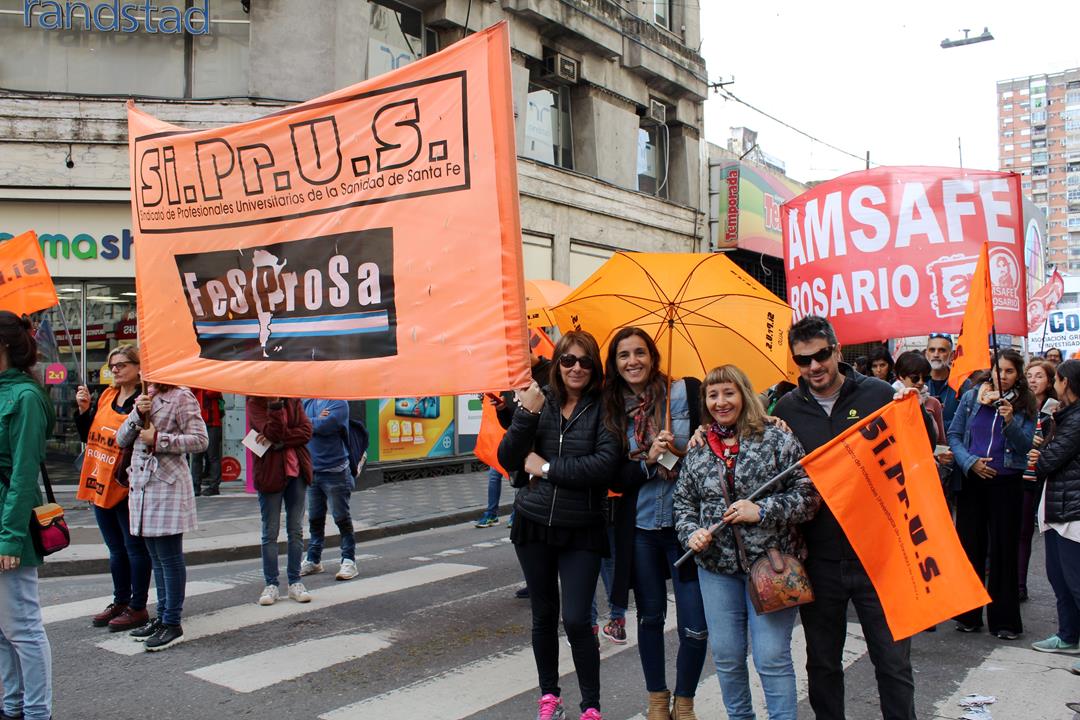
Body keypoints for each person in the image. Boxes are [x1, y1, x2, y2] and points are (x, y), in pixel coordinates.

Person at [771, 315, 917, 720]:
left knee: (893, 663)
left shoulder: (881, 395)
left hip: (881, 558)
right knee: (822, 665)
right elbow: (755, 445)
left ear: (837, 350)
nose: (814, 366)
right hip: (819, 558)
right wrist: (700, 433)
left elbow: (917, 456)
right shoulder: (787, 409)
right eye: (803, 360)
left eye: (821, 355)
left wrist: (916, 414)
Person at [674, 364, 819, 720]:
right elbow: (683, 504)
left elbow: (809, 496)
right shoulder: (698, 449)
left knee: (771, 657)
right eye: (713, 395)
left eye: (729, 393)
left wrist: (762, 510)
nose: (721, 402)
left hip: (773, 566)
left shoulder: (777, 439)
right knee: (726, 657)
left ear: (744, 394)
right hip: (716, 569)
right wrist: (691, 532)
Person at [497, 330, 617, 720]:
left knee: (578, 619)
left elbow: (603, 466)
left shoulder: (605, 407)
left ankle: (591, 706)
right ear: (558, 363)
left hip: (581, 526)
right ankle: (549, 697)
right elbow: (508, 458)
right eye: (568, 360)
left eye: (585, 361)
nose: (576, 368)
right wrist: (525, 415)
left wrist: (546, 468)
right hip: (533, 523)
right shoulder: (540, 400)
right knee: (543, 616)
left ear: (595, 367)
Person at [601, 327, 706, 720]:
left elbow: (720, 440)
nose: (633, 361)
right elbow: (613, 477)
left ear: (653, 356)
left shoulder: (686, 392)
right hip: (641, 529)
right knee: (650, 618)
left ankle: (685, 701)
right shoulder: (611, 410)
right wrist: (648, 460)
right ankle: (658, 702)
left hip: (686, 529)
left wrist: (680, 446)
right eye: (624, 355)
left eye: (640, 352)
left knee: (695, 625)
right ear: (615, 364)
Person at [947, 349, 1036, 639]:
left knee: (1003, 551)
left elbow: (1024, 446)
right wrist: (969, 462)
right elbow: (955, 435)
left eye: (1010, 371)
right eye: (999, 370)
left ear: (1018, 375)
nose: (1003, 376)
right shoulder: (972, 396)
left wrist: (1010, 421)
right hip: (973, 482)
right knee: (970, 547)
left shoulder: (1025, 403)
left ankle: (1005, 621)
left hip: (1006, 483)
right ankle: (968, 616)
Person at [117, 382, 207, 651]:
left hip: (167, 486)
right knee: (156, 557)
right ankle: (163, 616)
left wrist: (159, 439)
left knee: (169, 556)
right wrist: (136, 414)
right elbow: (121, 439)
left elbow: (200, 440)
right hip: (142, 488)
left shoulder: (181, 396)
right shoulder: (145, 397)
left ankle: (172, 622)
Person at [74, 344, 152, 632]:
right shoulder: (107, 395)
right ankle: (120, 601)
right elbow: (89, 435)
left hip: (126, 483)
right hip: (99, 480)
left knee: (134, 548)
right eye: (113, 365)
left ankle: (137, 606)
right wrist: (84, 410)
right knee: (115, 550)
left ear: (139, 368)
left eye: (121, 365)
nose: (115, 370)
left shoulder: (144, 400)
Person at [0, 312, 55, 720]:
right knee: (2, 631)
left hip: (10, 522)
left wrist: (10, 537)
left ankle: (36, 713)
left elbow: (23, 474)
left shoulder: (26, 397)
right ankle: (11, 705)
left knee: (23, 628)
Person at [1029, 360, 1080, 670]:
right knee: (1059, 578)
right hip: (1057, 507)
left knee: (1075, 581)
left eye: (1056, 380)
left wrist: (1040, 453)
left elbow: (1048, 462)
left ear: (1065, 383)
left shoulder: (1076, 419)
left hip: (1072, 511)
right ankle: (1068, 635)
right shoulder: (1064, 415)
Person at [248, 396, 314, 605]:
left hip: (297, 473)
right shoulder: (255, 403)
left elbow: (307, 432)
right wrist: (275, 406)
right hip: (270, 474)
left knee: (296, 530)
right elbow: (274, 431)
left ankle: (295, 581)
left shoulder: (293, 400)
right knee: (270, 532)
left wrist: (279, 442)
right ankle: (271, 584)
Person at [300, 398, 358, 581]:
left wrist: (307, 421)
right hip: (313, 471)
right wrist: (313, 419)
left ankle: (349, 560)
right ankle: (313, 559)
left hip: (335, 471)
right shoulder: (307, 401)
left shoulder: (339, 402)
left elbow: (325, 426)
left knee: (341, 518)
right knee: (315, 519)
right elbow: (295, 424)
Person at [1021, 359, 1058, 602]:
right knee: (1016, 531)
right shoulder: (1018, 406)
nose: (1033, 380)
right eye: (1029, 375)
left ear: (1050, 382)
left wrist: (1043, 444)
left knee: (1027, 532)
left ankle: (1020, 583)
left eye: (1039, 376)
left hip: (1041, 478)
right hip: (1018, 475)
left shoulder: (1055, 410)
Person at [893, 350, 945, 445]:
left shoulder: (933, 403)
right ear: (901, 376)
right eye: (915, 378)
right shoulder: (890, 400)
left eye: (925, 378)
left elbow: (940, 441)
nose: (920, 382)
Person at [190, 388, 223, 496]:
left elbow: (213, 392)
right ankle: (196, 486)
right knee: (197, 457)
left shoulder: (210, 385)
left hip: (212, 424)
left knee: (212, 457)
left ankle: (214, 487)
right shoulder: (195, 386)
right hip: (199, 425)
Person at [925, 333, 960, 427]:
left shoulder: (962, 383)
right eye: (932, 350)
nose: (936, 355)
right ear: (926, 354)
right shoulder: (916, 381)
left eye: (942, 350)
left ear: (952, 356)